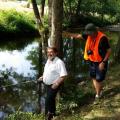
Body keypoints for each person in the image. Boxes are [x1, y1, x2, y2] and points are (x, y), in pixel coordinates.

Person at [63, 23, 111, 99]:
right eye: (87, 33)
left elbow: (109, 51)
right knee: (93, 77)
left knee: (99, 79)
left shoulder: (102, 38)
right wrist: (68, 34)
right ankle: (98, 91)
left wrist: (103, 62)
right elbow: (78, 36)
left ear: (94, 32)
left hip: (100, 62)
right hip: (92, 61)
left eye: (89, 33)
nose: (88, 35)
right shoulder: (88, 35)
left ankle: (98, 94)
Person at [38, 47, 67, 120]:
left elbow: (63, 75)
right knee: (51, 99)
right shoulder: (49, 60)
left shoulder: (59, 62)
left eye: (51, 52)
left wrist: (56, 84)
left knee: (48, 99)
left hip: (54, 84)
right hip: (47, 84)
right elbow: (48, 71)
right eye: (48, 52)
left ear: (56, 53)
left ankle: (48, 116)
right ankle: (53, 114)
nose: (49, 54)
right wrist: (42, 77)